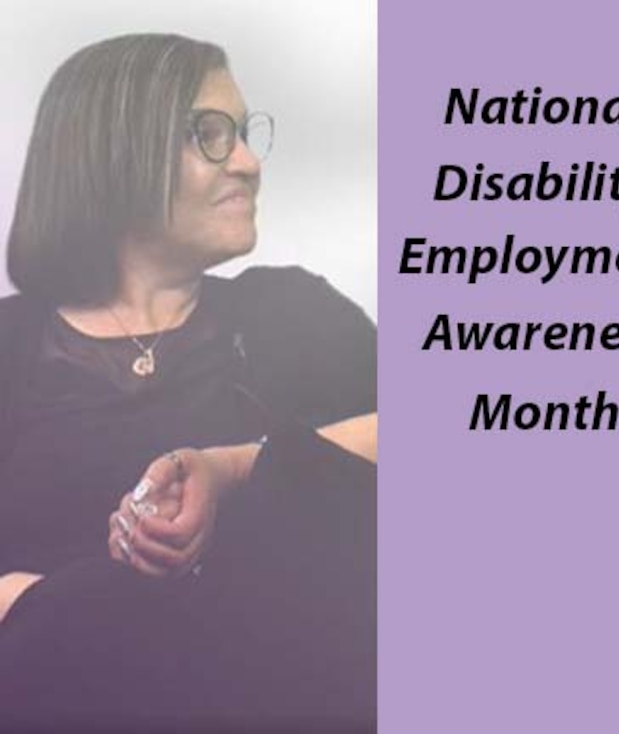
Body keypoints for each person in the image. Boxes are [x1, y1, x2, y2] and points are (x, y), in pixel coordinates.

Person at [0, 33, 378, 731]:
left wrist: (235, 467)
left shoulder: (292, 312)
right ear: (114, 153)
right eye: (211, 135)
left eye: (241, 133)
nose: (249, 162)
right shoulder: (9, 348)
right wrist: (33, 604)